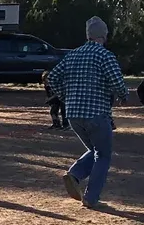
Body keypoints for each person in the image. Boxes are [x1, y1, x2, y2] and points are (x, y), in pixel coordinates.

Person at [44, 15, 128, 208]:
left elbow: (53, 77)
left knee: (95, 150)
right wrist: (123, 96)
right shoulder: (105, 55)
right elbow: (116, 81)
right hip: (96, 113)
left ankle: (74, 175)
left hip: (73, 114)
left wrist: (66, 97)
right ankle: (90, 195)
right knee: (103, 154)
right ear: (103, 36)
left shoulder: (73, 54)